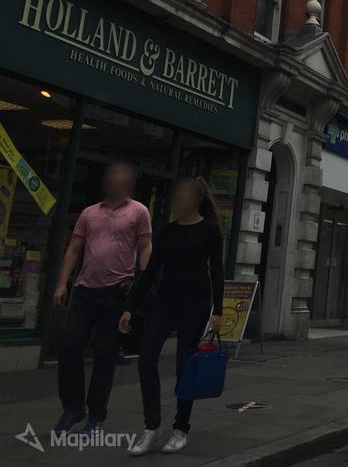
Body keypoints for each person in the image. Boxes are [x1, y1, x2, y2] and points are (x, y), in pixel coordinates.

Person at [119, 177, 225, 455]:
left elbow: (217, 270)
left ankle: (180, 428)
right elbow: (150, 272)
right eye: (178, 198)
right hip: (165, 301)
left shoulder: (210, 231)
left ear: (197, 200)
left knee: (184, 366)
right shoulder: (166, 232)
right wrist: (130, 307)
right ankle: (151, 426)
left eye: (184, 197)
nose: (180, 202)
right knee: (146, 358)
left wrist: (219, 310)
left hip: (196, 303)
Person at [53, 161, 152, 434]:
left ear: (129, 184)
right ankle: (73, 407)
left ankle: (96, 415)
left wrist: (142, 283)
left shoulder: (139, 211)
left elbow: (145, 246)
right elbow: (74, 249)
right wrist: (62, 284)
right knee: (69, 348)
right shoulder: (89, 213)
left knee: (105, 355)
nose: (116, 183)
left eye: (121, 179)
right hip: (84, 290)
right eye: (112, 179)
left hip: (116, 291)